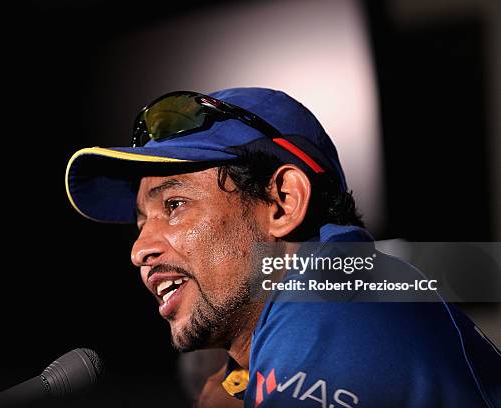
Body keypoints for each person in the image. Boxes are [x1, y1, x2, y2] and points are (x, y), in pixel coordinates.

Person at [65, 88, 500, 407]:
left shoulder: (333, 304)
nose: (139, 249)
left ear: (283, 202)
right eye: (141, 223)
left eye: (175, 205)